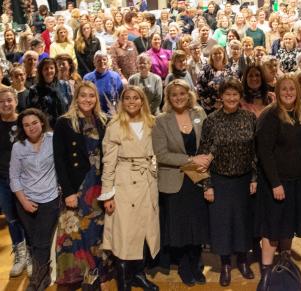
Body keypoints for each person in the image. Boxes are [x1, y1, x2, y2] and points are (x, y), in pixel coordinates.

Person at [255, 73, 301, 282]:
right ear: (278, 92)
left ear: (297, 91)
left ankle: (284, 264)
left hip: (298, 180)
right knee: (272, 227)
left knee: (288, 225)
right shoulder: (270, 116)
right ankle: (266, 272)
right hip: (276, 182)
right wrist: (275, 183)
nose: (289, 93)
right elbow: (264, 153)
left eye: (292, 89)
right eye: (284, 89)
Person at [97, 86, 159, 291]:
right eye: (127, 98)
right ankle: (123, 280)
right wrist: (108, 195)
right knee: (124, 234)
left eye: (136, 98)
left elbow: (157, 151)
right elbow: (108, 162)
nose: (132, 102)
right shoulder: (115, 125)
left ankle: (138, 275)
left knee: (143, 231)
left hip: (147, 182)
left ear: (142, 101)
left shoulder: (152, 122)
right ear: (122, 102)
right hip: (124, 184)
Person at [198, 78, 257, 286]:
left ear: (240, 96)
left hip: (243, 180)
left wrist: (254, 177)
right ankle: (224, 264)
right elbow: (203, 155)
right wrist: (207, 185)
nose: (231, 98)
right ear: (221, 96)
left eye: (235, 94)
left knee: (242, 222)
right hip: (219, 180)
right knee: (222, 225)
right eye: (227, 94)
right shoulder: (211, 121)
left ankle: (242, 260)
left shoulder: (250, 118)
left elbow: (255, 152)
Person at [152, 79, 209, 286]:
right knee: (180, 226)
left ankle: (197, 263)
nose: (178, 98)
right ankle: (185, 265)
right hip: (174, 180)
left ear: (189, 95)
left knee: (198, 223)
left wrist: (207, 158)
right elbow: (161, 154)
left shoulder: (199, 114)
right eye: (174, 95)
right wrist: (190, 160)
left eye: (182, 94)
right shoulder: (161, 120)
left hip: (199, 178)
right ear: (168, 98)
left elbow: (208, 141)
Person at [53, 81, 110, 289]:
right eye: (83, 95)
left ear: (96, 98)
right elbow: (59, 160)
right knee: (76, 234)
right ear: (76, 98)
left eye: (91, 96)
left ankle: (95, 274)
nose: (87, 99)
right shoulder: (64, 122)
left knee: (96, 232)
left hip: (99, 185)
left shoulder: (103, 121)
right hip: (78, 186)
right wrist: (68, 192)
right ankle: (80, 275)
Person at [9, 108, 58, 290]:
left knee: (41, 241)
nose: (31, 128)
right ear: (22, 128)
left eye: (34, 123)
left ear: (42, 123)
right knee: (33, 240)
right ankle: (43, 276)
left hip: (50, 198)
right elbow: (14, 177)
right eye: (26, 125)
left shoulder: (53, 140)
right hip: (25, 200)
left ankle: (37, 280)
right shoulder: (18, 147)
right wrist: (24, 202)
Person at [0, 87, 30, 277]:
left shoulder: (24, 122)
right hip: (2, 179)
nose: (6, 104)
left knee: (27, 217)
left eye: (9, 100)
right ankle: (19, 254)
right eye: (2, 102)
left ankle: (31, 255)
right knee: (11, 217)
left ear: (16, 101)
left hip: (25, 179)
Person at [26, 58, 72, 127]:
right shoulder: (34, 90)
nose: (49, 71)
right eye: (46, 69)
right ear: (41, 71)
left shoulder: (64, 85)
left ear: (55, 70)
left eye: (51, 68)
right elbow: (34, 113)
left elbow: (71, 106)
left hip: (66, 125)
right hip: (46, 128)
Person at [196, 45, 233, 113]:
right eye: (215, 53)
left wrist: (225, 102)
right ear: (211, 55)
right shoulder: (205, 69)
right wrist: (212, 104)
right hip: (209, 107)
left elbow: (234, 85)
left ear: (224, 55)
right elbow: (199, 88)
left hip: (227, 104)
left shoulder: (228, 68)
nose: (217, 55)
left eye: (219, 53)